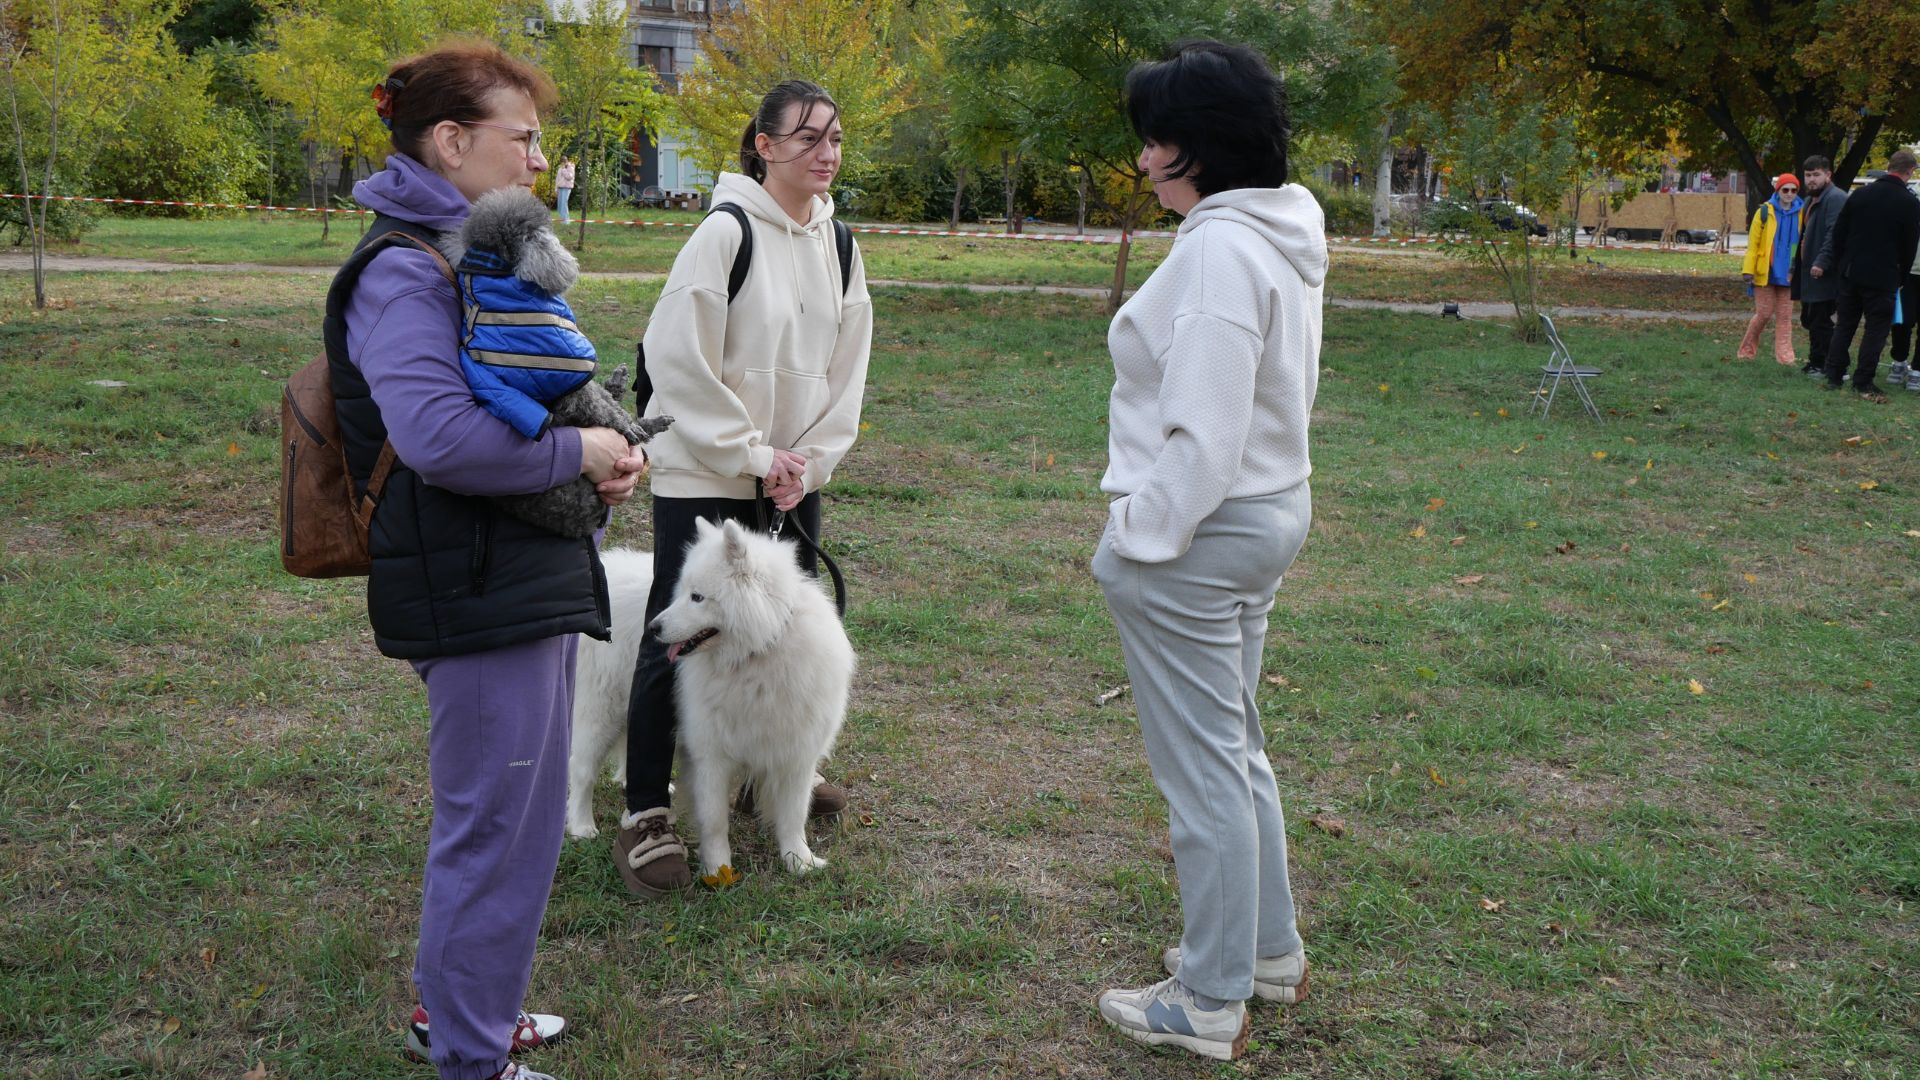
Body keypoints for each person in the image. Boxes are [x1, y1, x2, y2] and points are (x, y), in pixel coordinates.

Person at [345, 43, 646, 1080]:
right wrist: (583, 451)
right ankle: (472, 1057)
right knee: (495, 828)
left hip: (510, 575)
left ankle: (466, 1013)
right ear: (450, 140)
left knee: (510, 822)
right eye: (521, 136)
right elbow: (435, 437)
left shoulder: (456, 245)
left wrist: (592, 452)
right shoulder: (403, 268)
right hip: (475, 586)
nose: (535, 155)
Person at [1090, 40, 1320, 1062]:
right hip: (1263, 516)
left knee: (1204, 774)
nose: (1144, 163)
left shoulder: (1222, 252)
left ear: (1193, 148)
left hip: (1203, 532)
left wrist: (1134, 537)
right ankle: (1265, 952)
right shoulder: (1278, 232)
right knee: (1236, 748)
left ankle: (1210, 994)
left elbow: (1206, 432)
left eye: (1154, 142)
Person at [614, 79, 873, 897]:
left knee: (786, 625)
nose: (826, 153)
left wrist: (808, 460)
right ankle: (645, 811)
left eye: (834, 138)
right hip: (706, 470)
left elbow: (848, 368)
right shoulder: (723, 234)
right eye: (807, 138)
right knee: (680, 636)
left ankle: (772, 776)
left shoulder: (840, 244)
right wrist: (755, 454)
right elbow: (678, 363)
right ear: (763, 145)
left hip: (790, 477)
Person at [1812, 149, 1920, 399]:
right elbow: (1909, 245)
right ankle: (1863, 380)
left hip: (1851, 272)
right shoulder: (1909, 203)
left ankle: (1834, 373)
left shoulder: (1860, 195)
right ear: (1909, 171)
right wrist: (1901, 276)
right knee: (1876, 330)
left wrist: (1841, 265)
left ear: (1889, 167)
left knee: (1845, 325)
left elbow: (1839, 233)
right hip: (1883, 276)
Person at [1737, 174, 1802, 365]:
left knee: (1785, 317)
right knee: (1764, 314)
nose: (1789, 194)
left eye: (1794, 190)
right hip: (1765, 271)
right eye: (1785, 190)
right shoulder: (1765, 211)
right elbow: (1754, 245)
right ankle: (1746, 351)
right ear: (1778, 190)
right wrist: (1748, 270)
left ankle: (1786, 358)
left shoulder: (1802, 212)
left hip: (1790, 273)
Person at [1794, 157, 1848, 378]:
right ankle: (1817, 361)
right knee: (1810, 319)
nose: (1812, 179)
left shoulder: (1835, 198)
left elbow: (1834, 234)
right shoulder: (1810, 200)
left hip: (1825, 272)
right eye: (1808, 175)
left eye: (1816, 175)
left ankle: (1829, 365)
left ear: (1828, 175)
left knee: (1821, 320)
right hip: (1809, 271)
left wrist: (1821, 262)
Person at [1886, 204, 1920, 391]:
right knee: (1902, 321)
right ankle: (1899, 360)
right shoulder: (1912, 195)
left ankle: (1917, 371)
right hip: (1907, 271)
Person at [554, 156, 575, 224]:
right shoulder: (560, 168)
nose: (562, 163)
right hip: (560, 188)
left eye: (564, 162)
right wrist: (556, 188)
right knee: (560, 205)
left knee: (564, 204)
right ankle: (562, 219)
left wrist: (564, 170)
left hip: (566, 188)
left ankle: (566, 221)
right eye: (561, 162)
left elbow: (569, 177)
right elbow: (557, 178)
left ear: (566, 161)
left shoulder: (570, 167)